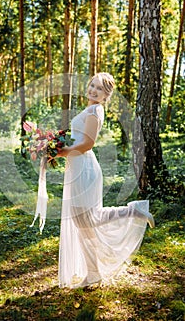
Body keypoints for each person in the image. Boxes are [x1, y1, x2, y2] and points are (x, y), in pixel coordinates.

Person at [56, 72, 155, 289]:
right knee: (84, 224)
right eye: (92, 85)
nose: (93, 90)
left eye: (99, 88)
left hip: (85, 167)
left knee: (89, 219)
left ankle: (134, 211)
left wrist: (63, 152)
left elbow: (87, 144)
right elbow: (78, 140)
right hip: (77, 167)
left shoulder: (95, 110)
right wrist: (57, 147)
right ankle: (93, 274)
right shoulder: (89, 109)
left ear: (105, 95)